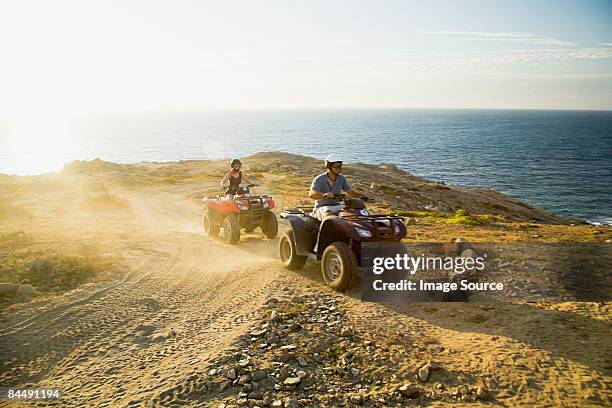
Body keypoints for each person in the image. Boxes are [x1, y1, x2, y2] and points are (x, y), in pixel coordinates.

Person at [309, 154, 361, 221]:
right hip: (322, 208)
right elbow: (312, 195)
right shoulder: (319, 179)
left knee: (353, 213)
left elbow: (350, 192)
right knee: (329, 216)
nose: (339, 167)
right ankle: (326, 231)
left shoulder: (341, 178)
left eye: (340, 165)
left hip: (337, 206)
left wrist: (362, 196)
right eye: (336, 165)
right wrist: (324, 195)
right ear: (329, 166)